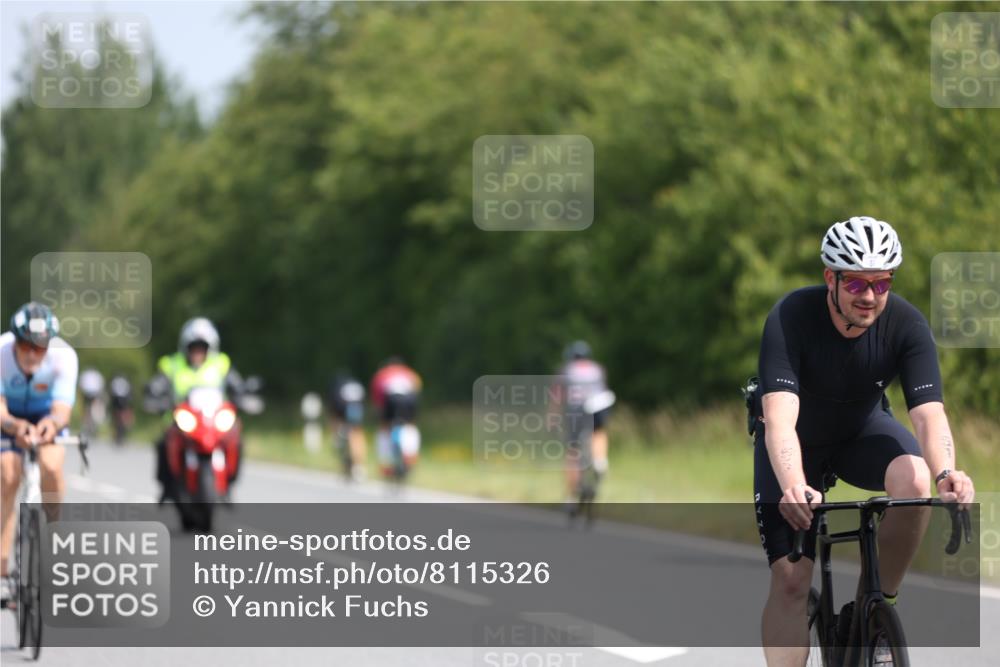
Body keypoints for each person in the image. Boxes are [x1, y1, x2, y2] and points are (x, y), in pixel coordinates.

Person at [753, 216, 975, 666]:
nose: (870, 296)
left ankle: (873, 612)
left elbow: (929, 416)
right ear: (829, 279)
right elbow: (779, 419)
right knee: (793, 581)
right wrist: (795, 483)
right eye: (855, 284)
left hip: (861, 434)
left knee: (916, 479)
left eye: (882, 282)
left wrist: (947, 472)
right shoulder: (791, 316)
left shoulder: (907, 325)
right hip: (796, 446)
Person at [0, 302, 78, 601]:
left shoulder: (64, 357)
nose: (32, 353)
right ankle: (3, 568)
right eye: (25, 345)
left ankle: (53, 542)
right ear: (14, 339)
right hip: (9, 419)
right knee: (7, 476)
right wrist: (15, 426)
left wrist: (49, 425)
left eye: (40, 347)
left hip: (46, 418)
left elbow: (62, 411)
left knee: (52, 467)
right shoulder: (1, 353)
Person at [149, 317, 244, 501]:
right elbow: (158, 383)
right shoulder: (172, 364)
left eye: (202, 347)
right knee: (163, 443)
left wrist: (243, 393)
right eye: (194, 347)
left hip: (212, 420)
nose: (198, 352)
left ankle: (229, 482)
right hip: (181, 419)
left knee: (236, 438)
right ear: (185, 347)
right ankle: (167, 486)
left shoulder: (220, 364)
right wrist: (154, 392)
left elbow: (236, 384)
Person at [558, 341, 612, 507]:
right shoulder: (597, 368)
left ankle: (571, 496)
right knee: (599, 432)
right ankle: (600, 461)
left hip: (577, 408)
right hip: (599, 403)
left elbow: (558, 397)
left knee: (572, 450)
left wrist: (553, 417)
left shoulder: (566, 370)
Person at [369, 357, 422, 477]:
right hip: (409, 399)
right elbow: (417, 391)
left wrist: (381, 417)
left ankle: (385, 463)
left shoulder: (381, 374)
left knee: (384, 428)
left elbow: (378, 401)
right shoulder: (410, 373)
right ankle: (411, 457)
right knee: (410, 426)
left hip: (391, 399)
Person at [328, 372, 368, 481]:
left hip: (342, 406)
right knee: (357, 432)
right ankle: (358, 466)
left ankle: (340, 444)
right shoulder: (356, 384)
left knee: (340, 429)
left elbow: (333, 409)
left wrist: (334, 430)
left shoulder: (337, 386)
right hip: (357, 407)